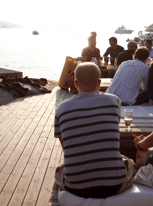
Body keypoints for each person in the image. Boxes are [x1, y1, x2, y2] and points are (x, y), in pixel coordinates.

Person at [54, 63, 127, 198]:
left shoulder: (61, 108)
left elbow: (66, 147)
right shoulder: (114, 101)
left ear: (75, 83)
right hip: (114, 185)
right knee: (129, 162)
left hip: (76, 187)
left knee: (60, 172)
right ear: (99, 82)